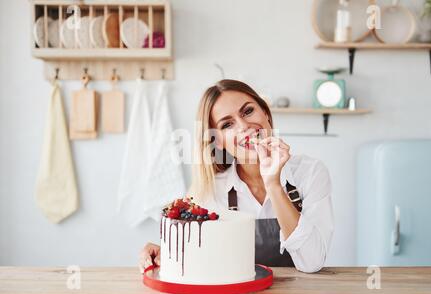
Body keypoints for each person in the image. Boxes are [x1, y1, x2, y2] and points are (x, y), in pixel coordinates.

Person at [139, 79, 334, 273]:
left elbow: (312, 262)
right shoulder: (210, 191)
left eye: (248, 111)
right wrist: (165, 252)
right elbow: (196, 255)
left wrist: (273, 185)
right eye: (227, 125)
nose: (243, 126)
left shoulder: (310, 173)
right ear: (218, 141)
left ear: (265, 113)